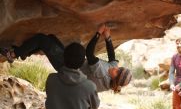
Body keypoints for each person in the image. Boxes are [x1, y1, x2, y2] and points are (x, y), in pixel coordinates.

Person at [0, 24, 132, 93]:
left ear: (115, 77)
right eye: (119, 67)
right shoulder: (112, 70)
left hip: (67, 67)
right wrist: (108, 37)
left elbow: (89, 53)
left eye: (118, 70)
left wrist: (98, 33)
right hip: (72, 61)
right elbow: (112, 57)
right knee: (50, 38)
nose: (116, 67)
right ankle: (23, 53)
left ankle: (13, 54)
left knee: (42, 39)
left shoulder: (101, 74)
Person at [45, 43, 100, 109]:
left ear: (64, 58)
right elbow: (95, 105)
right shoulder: (89, 86)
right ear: (83, 62)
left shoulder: (51, 80)